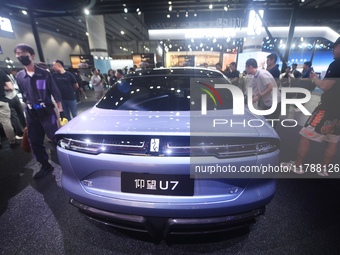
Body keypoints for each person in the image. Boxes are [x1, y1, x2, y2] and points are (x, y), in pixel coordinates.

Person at [281, 37, 340, 177]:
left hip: (327, 108)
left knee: (305, 134)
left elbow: (325, 86)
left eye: (335, 46)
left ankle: (298, 166)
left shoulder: (337, 64)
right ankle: (323, 169)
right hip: (338, 111)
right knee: (333, 139)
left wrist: (314, 78)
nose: (333, 50)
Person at [14, 43, 64, 179]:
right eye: (18, 54)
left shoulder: (44, 74)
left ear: (32, 55)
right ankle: (45, 165)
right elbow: (23, 93)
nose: (20, 56)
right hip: (31, 113)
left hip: (47, 111)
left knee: (55, 138)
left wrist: (61, 110)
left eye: (23, 53)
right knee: (34, 140)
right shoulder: (19, 76)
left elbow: (55, 92)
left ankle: (67, 162)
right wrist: (26, 110)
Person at [245, 58, 281, 125]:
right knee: (266, 122)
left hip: (275, 102)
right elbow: (263, 88)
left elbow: (270, 87)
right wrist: (256, 94)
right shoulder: (257, 75)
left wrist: (259, 96)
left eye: (246, 67)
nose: (245, 69)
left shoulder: (261, 74)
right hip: (269, 102)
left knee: (271, 123)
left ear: (250, 67)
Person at [0, 69, 18, 148]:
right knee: (6, 122)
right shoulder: (1, 72)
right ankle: (12, 142)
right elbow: (11, 87)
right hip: (1, 101)